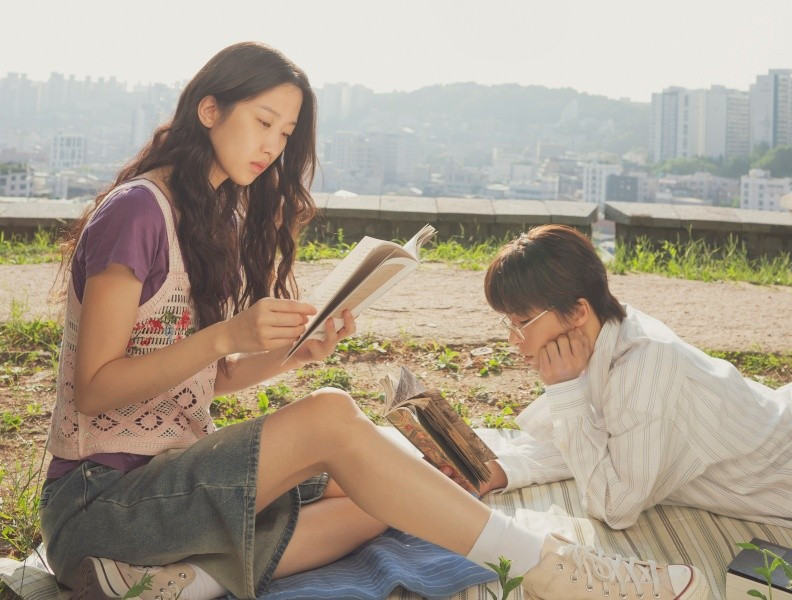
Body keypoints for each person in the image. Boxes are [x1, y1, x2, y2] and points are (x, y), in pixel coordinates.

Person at [39, 43, 709, 600]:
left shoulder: (213, 219)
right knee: (332, 417)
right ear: (208, 110)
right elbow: (96, 388)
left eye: (285, 133)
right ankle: (552, 569)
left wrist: (291, 355)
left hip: (170, 483)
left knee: (385, 487)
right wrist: (227, 335)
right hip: (101, 504)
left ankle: (185, 581)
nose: (272, 145)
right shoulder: (137, 212)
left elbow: (198, 383)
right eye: (263, 121)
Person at [459, 224, 792, 545]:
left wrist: (562, 390)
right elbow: (593, 441)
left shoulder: (643, 370)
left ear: (577, 311)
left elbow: (614, 506)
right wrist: (503, 470)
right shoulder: (606, 340)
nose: (513, 340)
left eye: (522, 321)